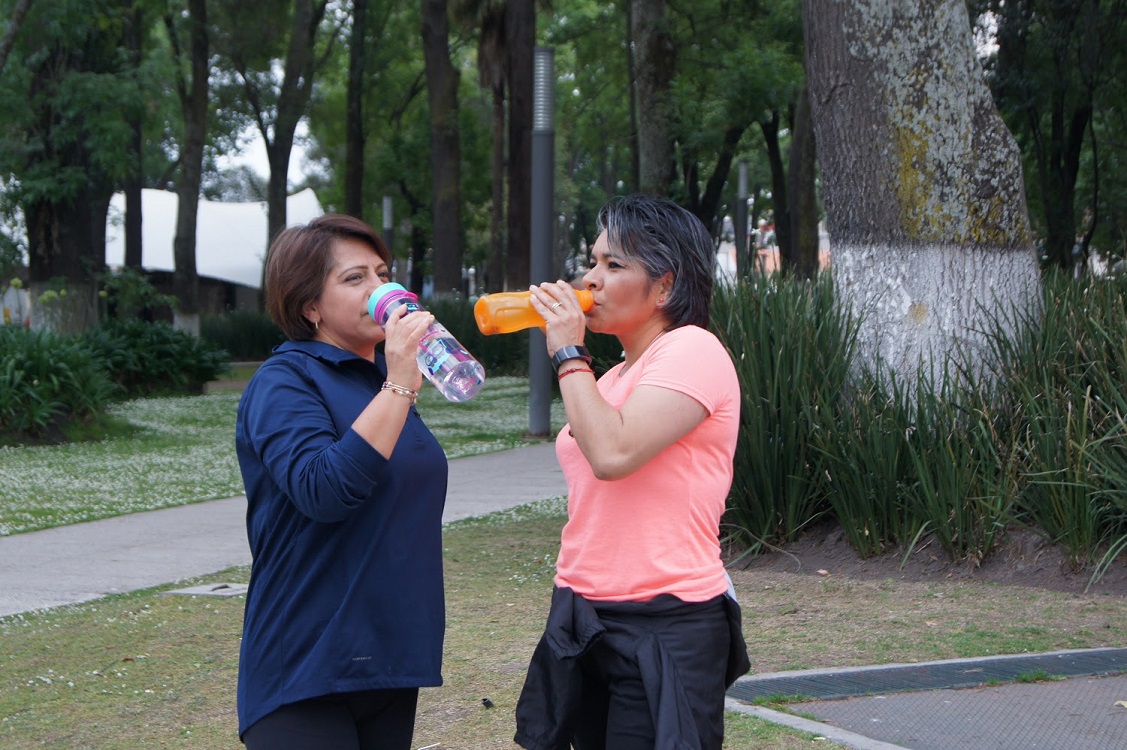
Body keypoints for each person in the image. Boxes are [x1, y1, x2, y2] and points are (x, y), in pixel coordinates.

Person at [515, 194, 750, 750]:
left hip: (665, 621)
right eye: (591, 262)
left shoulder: (693, 350)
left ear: (665, 287)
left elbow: (613, 455)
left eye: (614, 265)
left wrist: (567, 352)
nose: (590, 280)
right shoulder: (617, 375)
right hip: (583, 613)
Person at [234, 214, 448, 750]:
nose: (381, 289)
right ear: (310, 306)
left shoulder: (380, 379)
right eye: (355, 279)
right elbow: (323, 491)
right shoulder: (285, 380)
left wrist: (395, 380)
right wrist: (400, 382)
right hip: (306, 665)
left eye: (382, 272)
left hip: (389, 658)